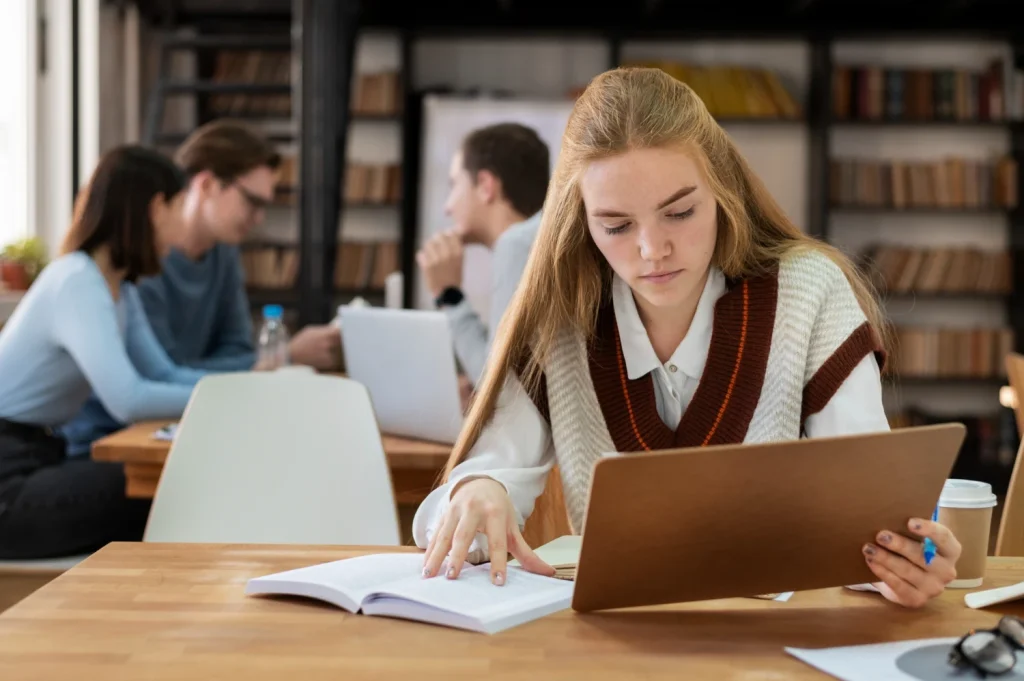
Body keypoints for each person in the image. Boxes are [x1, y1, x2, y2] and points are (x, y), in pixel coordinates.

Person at [412, 67, 962, 610]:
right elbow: (475, 496)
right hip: (615, 649)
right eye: (617, 225)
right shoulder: (559, 311)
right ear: (581, 221)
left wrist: (901, 565)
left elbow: (869, 516)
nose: (653, 250)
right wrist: (479, 492)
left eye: (679, 212)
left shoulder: (810, 292)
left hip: (775, 653)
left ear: (721, 191)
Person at [61, 119, 341, 456]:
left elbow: (224, 354)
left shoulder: (223, 255)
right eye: (253, 202)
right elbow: (151, 382)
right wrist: (269, 364)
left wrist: (238, 372)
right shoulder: (132, 267)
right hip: (122, 438)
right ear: (206, 185)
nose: (259, 219)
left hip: (180, 424)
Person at [0, 145, 206, 558]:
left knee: (167, 486)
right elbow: (128, 400)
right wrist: (220, 400)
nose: (184, 225)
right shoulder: (78, 281)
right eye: (179, 207)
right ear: (154, 208)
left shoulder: (119, 287)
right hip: (8, 476)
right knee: (167, 486)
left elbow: (163, 373)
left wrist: (244, 388)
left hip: (38, 458)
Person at [416, 122, 550, 388]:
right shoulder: (540, 237)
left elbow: (499, 386)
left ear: (485, 186)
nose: (447, 207)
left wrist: (448, 293)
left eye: (454, 185)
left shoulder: (517, 244)